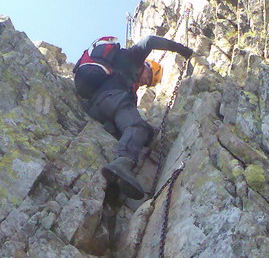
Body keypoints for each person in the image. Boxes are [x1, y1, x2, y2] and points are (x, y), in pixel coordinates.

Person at [74, 35, 193, 199]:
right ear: (146, 66)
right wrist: (181, 49)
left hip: (98, 106)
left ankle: (116, 185)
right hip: (112, 98)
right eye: (149, 76)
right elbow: (150, 41)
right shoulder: (132, 58)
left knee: (145, 132)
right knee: (137, 127)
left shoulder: (129, 85)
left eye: (149, 83)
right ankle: (123, 162)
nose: (145, 82)